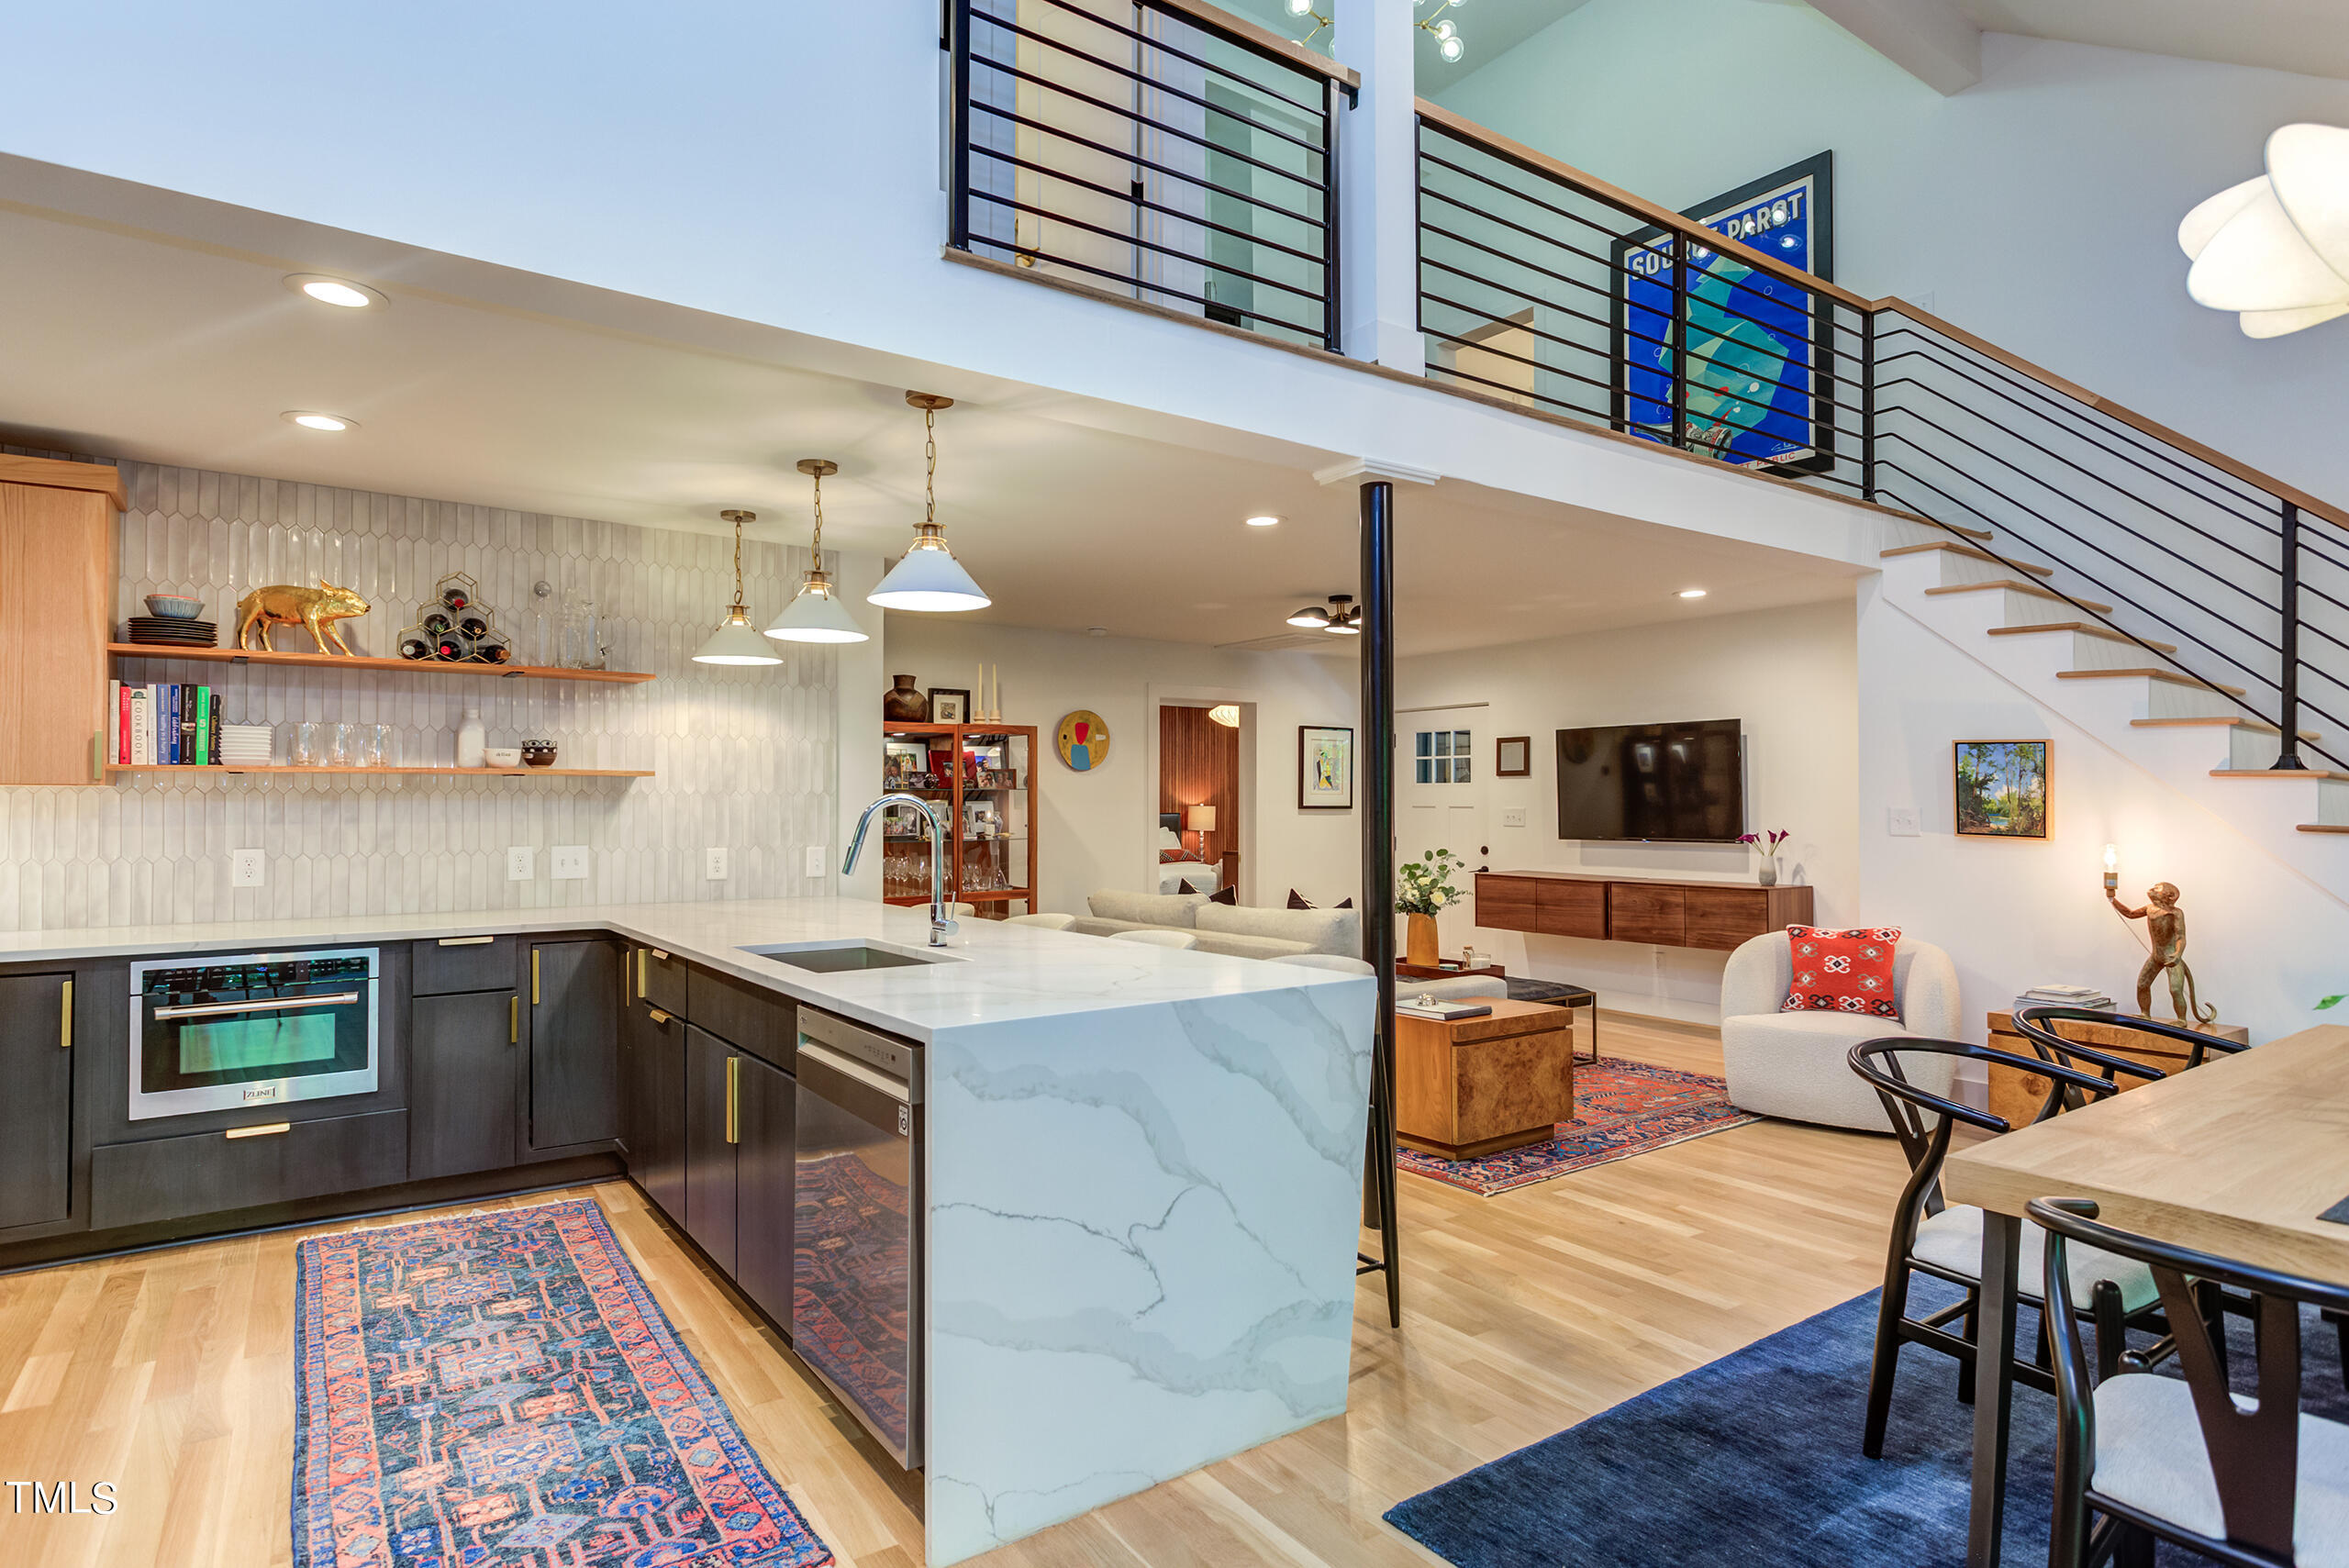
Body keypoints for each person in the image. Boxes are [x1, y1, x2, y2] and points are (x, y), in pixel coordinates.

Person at [2106, 881, 2218, 1025]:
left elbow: (2180, 937)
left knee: (2176, 990)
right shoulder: (2149, 909)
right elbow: (2130, 913)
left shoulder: (2175, 913)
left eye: (2157, 888)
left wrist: (2178, 955)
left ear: (2169, 896)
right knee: (2142, 984)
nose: (2151, 889)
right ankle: (2145, 1014)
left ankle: (2181, 1019)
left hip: (2170, 955)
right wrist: (2113, 900)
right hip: (2156, 956)